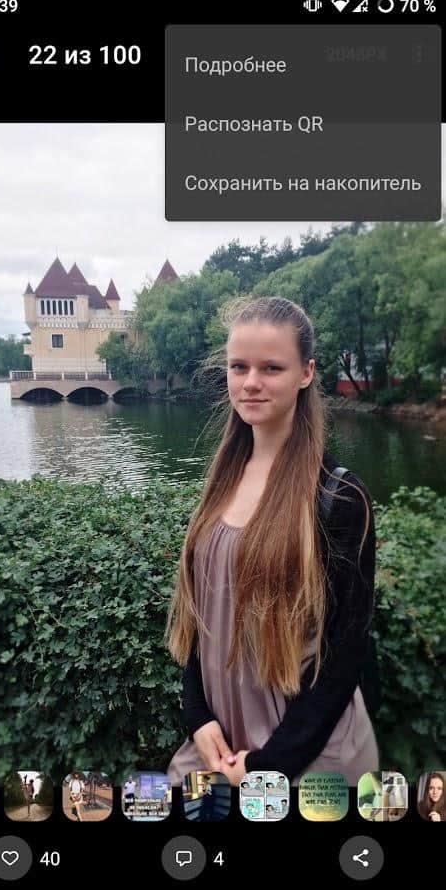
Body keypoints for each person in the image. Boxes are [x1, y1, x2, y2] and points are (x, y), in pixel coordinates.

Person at [166, 296, 379, 788]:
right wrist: (197, 716)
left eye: (271, 367)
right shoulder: (221, 480)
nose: (250, 382)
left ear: (306, 373)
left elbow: (345, 652)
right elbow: (201, 617)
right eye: (238, 366)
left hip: (308, 758)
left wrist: (270, 764)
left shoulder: (339, 497)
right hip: (221, 748)